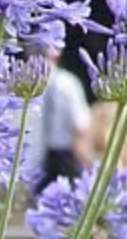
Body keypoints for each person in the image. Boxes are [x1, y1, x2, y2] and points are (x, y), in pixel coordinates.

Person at [23, 45, 94, 193]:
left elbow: (80, 128)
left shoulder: (19, 84)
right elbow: (81, 127)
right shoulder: (68, 83)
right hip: (48, 159)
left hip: (43, 160)